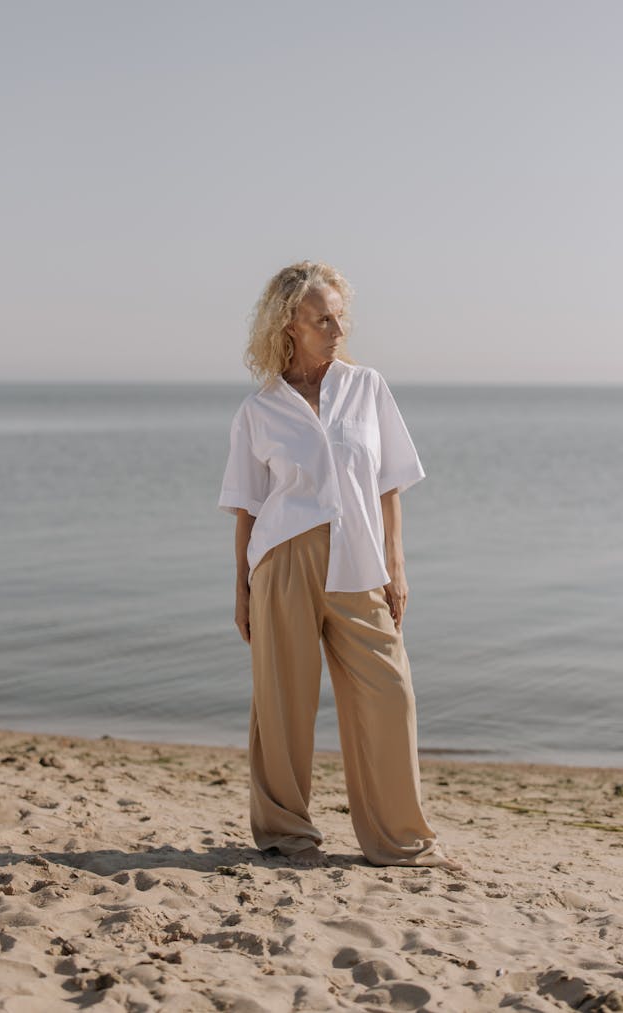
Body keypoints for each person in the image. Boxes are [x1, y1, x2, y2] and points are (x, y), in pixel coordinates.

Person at [218, 261, 462, 871]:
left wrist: (396, 565)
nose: (336, 327)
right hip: (283, 559)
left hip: (359, 558)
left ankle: (398, 839)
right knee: (281, 701)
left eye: (338, 316)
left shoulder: (367, 387)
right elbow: (247, 506)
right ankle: (286, 834)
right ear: (289, 325)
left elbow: (390, 486)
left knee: (390, 692)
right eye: (321, 318)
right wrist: (242, 587)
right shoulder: (260, 409)